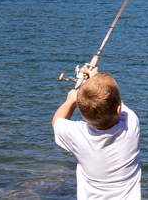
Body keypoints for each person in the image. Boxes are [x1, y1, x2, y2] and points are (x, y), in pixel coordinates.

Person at [53, 65, 141, 199]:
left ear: (82, 113)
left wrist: (70, 101)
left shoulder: (78, 135)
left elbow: (57, 122)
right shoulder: (131, 125)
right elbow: (117, 102)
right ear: (118, 110)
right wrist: (95, 77)